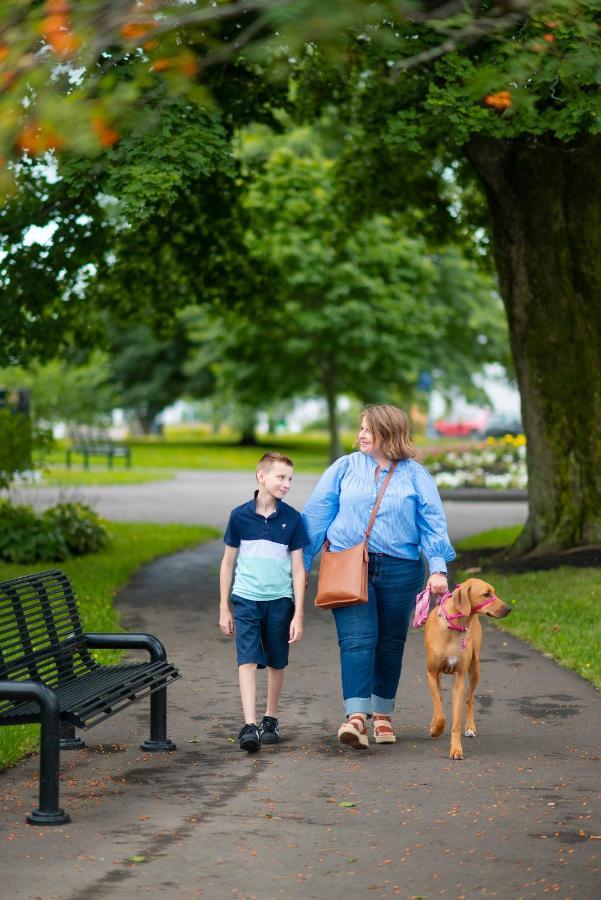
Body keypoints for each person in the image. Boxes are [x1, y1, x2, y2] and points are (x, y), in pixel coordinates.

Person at [302, 404, 455, 749]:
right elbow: (316, 516)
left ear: (389, 432)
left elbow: (432, 524)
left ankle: (383, 714)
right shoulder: (344, 467)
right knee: (357, 640)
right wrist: (300, 564)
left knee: (390, 642)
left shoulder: (416, 475)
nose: (360, 435)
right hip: (348, 565)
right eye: (360, 428)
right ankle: (356, 718)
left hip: (401, 568)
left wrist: (438, 569)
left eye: (367, 429)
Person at [219, 451, 309, 752]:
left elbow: (298, 569)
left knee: (275, 659)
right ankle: (249, 724)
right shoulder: (239, 516)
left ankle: (270, 717)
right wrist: (224, 607)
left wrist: (298, 614)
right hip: (246, 599)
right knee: (247, 658)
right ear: (262, 476)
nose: (287, 484)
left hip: (280, 601)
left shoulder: (293, 519)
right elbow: (228, 563)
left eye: (290, 479)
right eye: (281, 477)